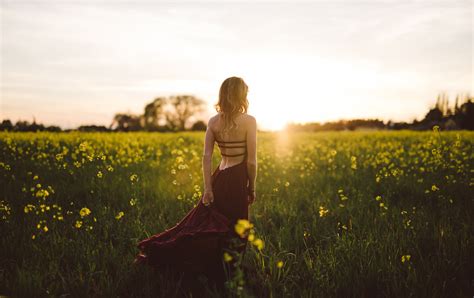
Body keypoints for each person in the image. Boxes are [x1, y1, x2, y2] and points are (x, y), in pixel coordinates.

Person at [135, 76, 258, 295]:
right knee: (236, 228)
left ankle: (213, 268)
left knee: (211, 226)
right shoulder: (249, 121)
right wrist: (252, 187)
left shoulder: (213, 122)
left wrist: (208, 187)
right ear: (242, 95)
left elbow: (206, 157)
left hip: (219, 177)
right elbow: (251, 161)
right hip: (238, 179)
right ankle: (227, 272)